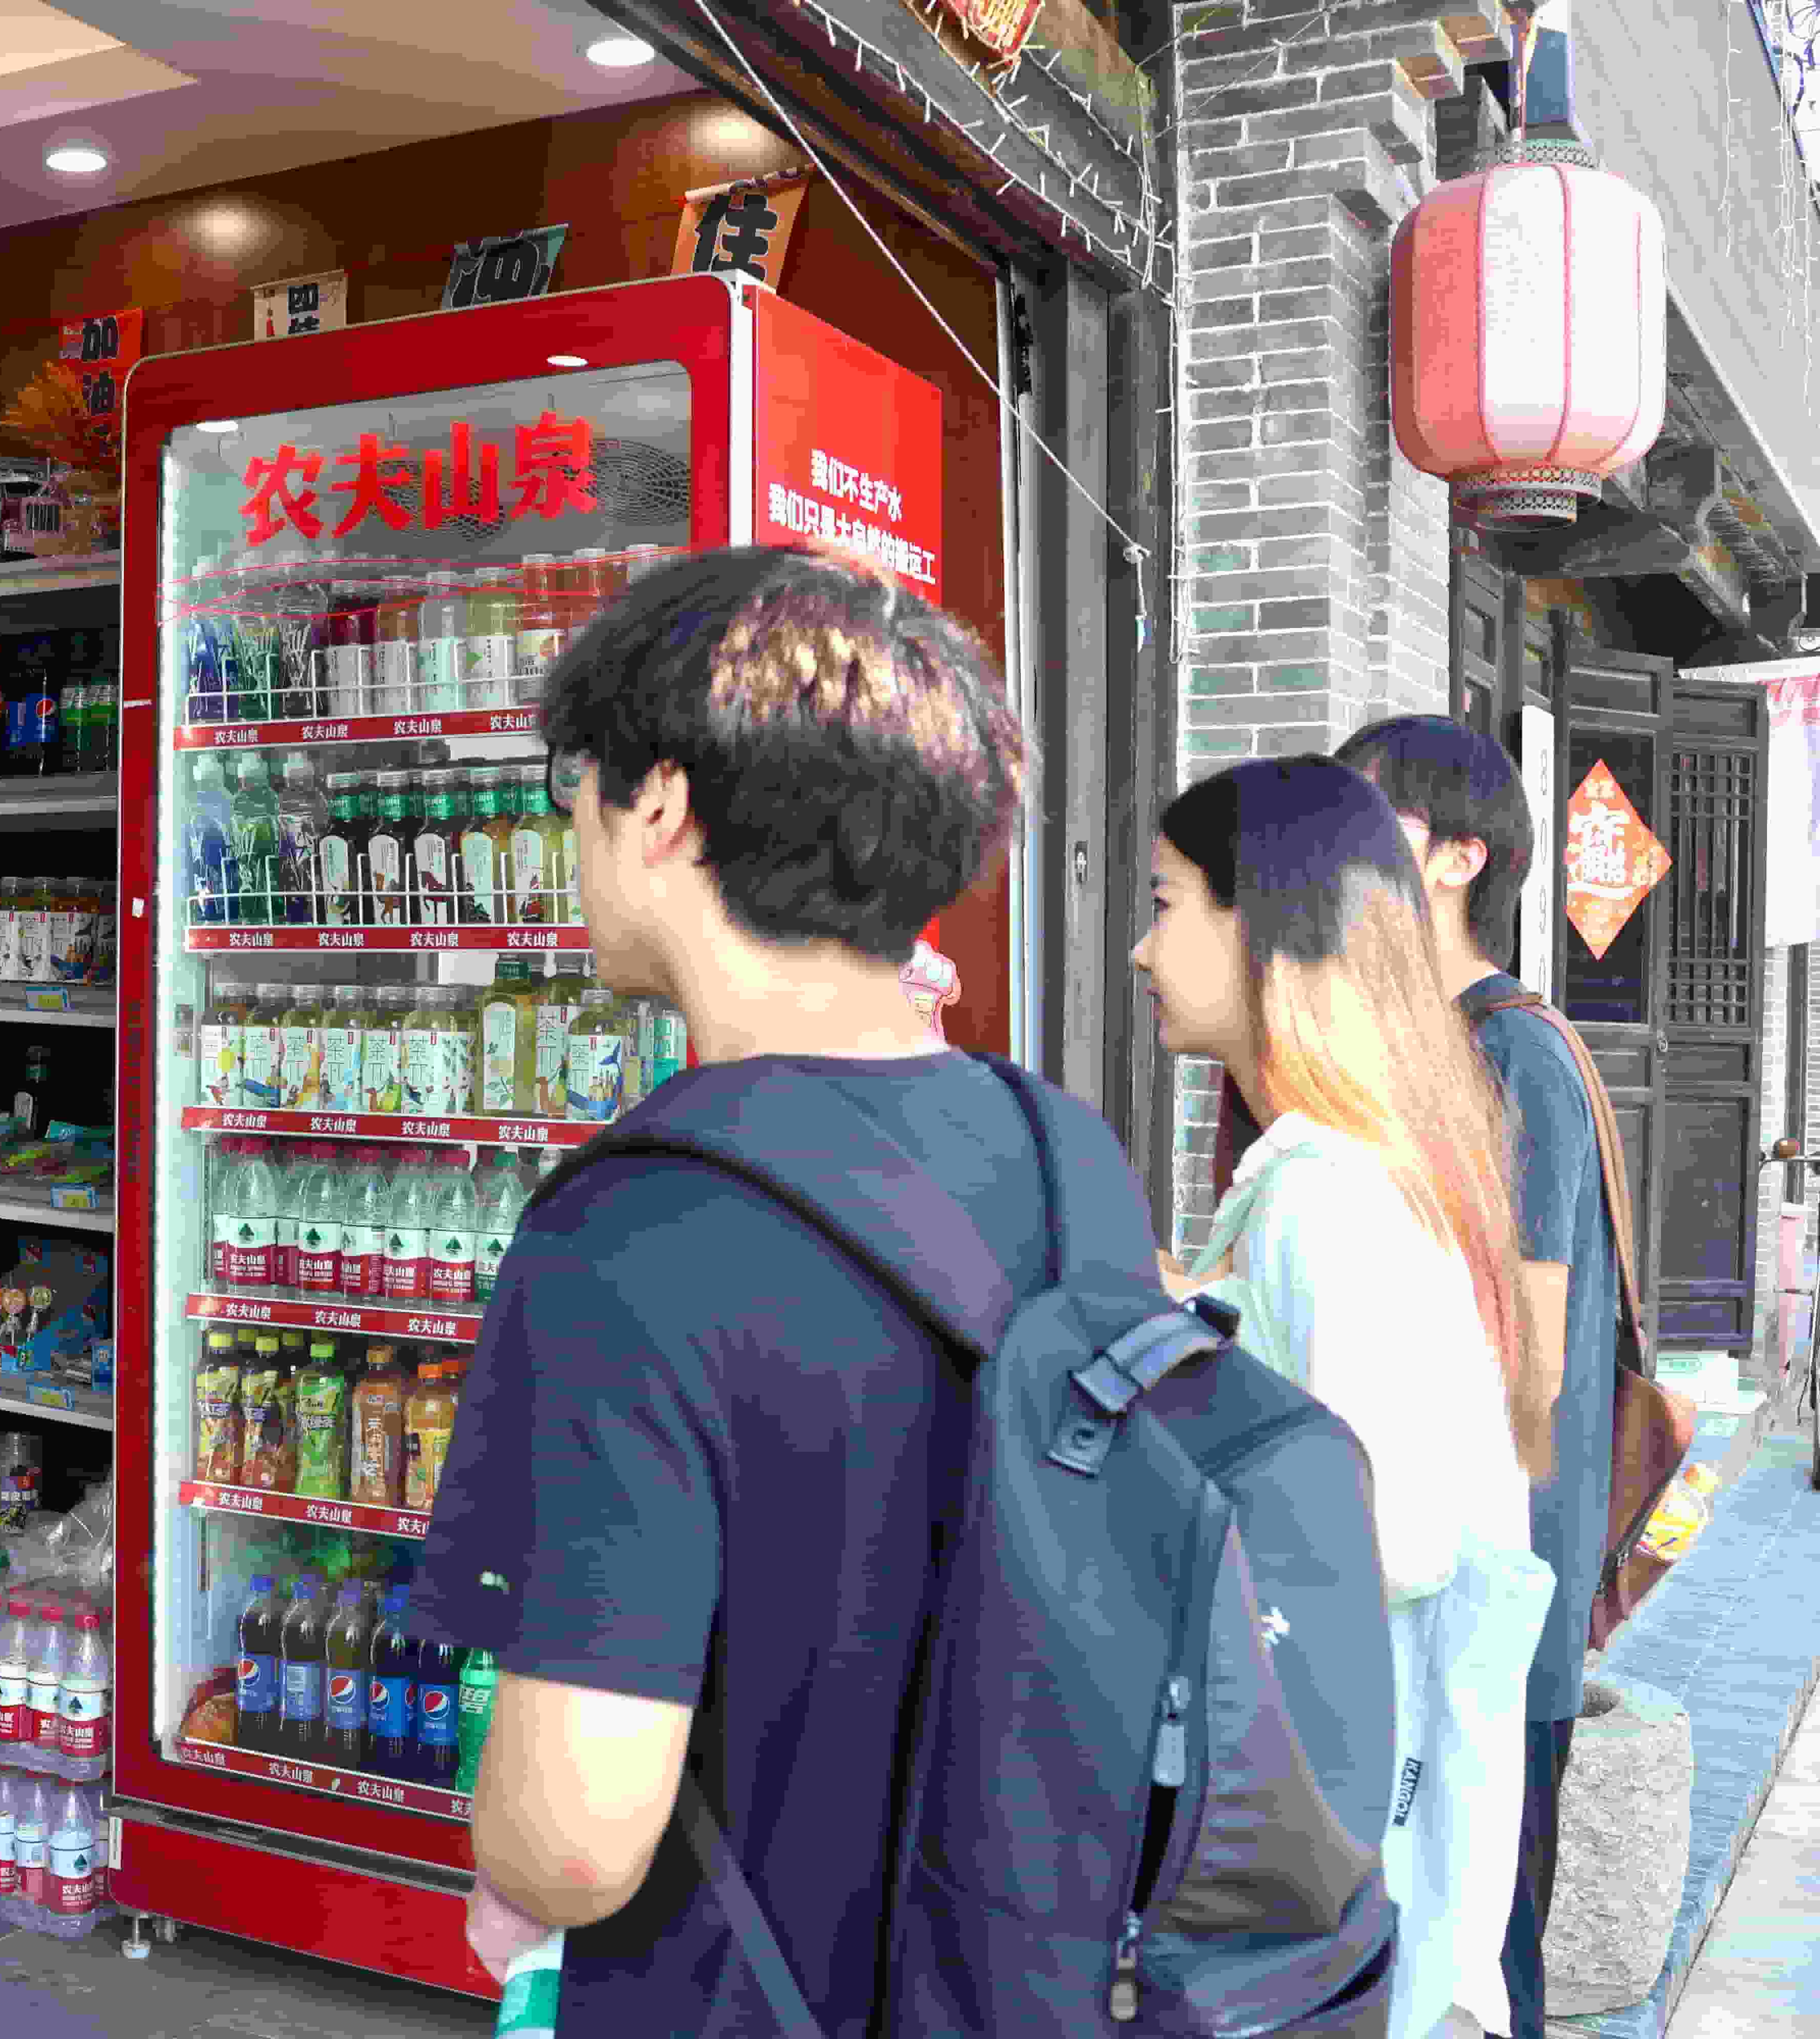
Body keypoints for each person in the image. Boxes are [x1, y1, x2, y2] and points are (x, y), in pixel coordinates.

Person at [407, 544, 1059, 2027]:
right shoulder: (1058, 1146)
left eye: (571, 789)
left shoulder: (632, 1237)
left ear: (660, 807)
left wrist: (504, 1830)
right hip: (1020, 1974)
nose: (569, 833)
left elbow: (571, 1843)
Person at [1132, 755, 1554, 2039]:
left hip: (1335, 1852)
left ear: (1262, 924)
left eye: (1165, 902)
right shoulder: (1362, 1172)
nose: (1143, 950)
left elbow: (1385, 1536)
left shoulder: (1328, 1198)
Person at [1337, 714, 1614, 2039]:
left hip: (1492, 1590)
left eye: (1366, 819)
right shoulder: (1419, 1047)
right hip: (1432, 1575)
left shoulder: (1513, 1056)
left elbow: (1529, 1355)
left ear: (1457, 859)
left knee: (1482, 1955)